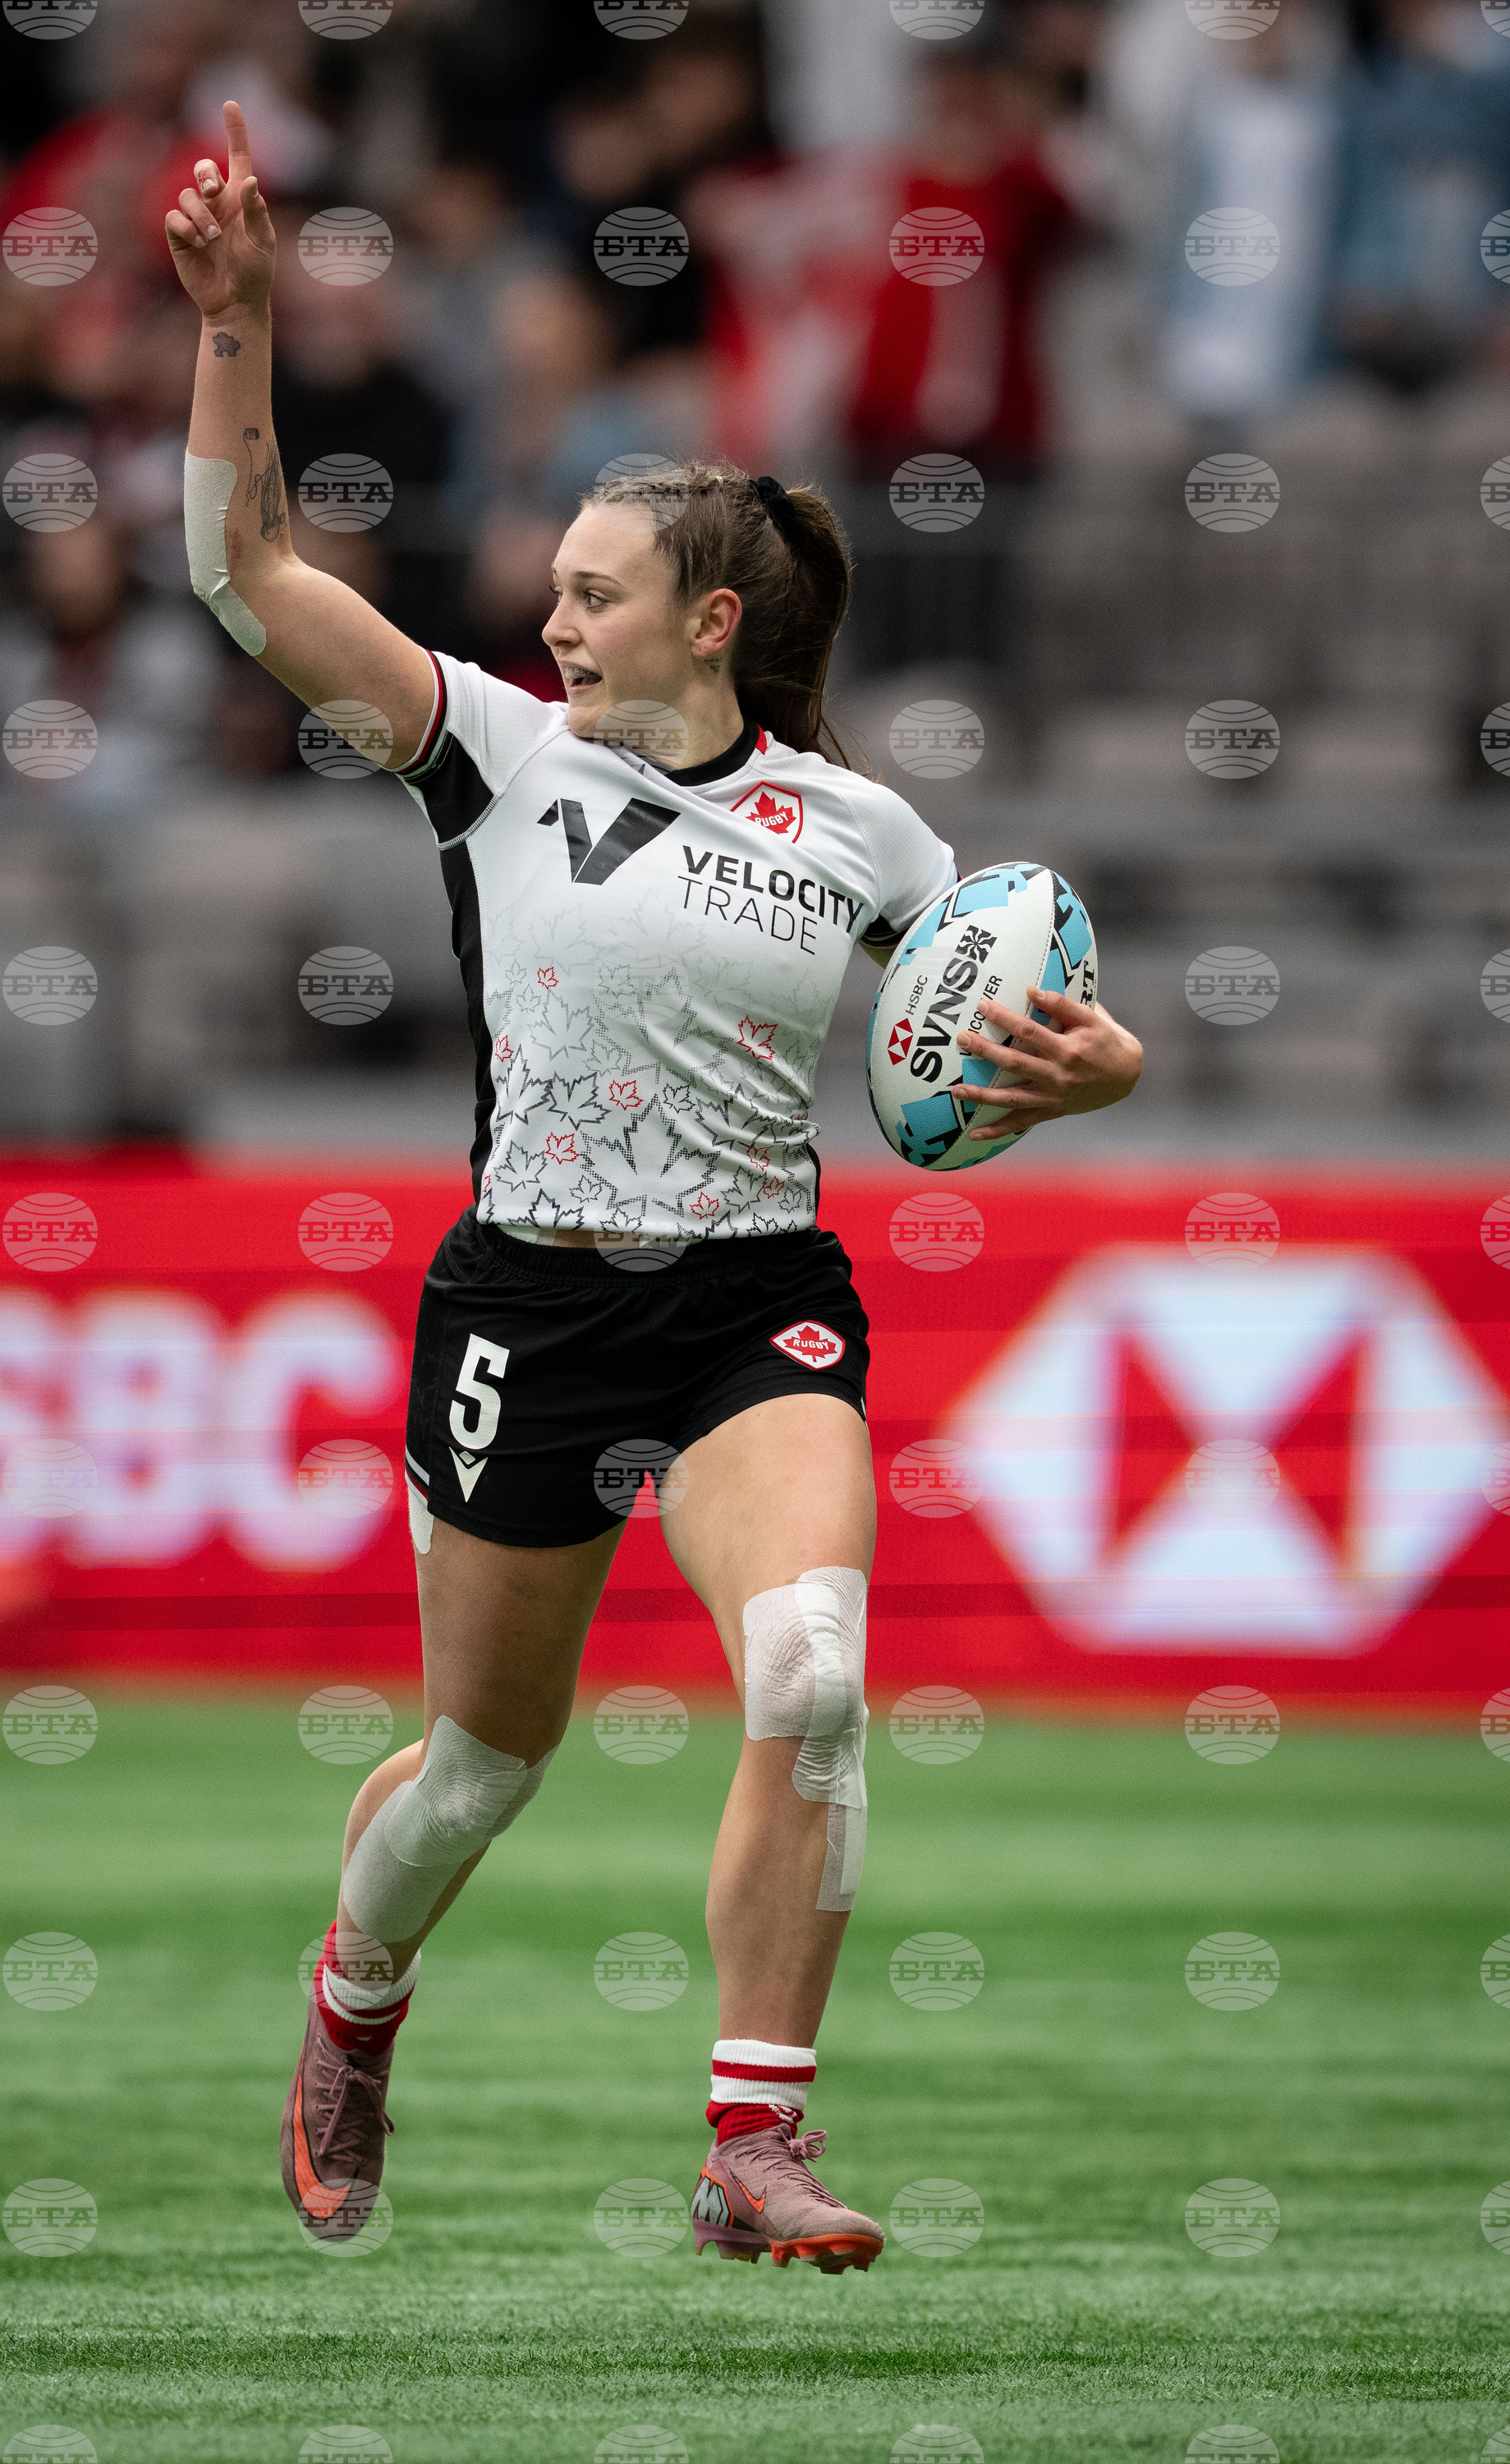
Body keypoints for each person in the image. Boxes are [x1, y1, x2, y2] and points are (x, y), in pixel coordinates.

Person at [164, 103, 1144, 2273]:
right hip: (528, 1306)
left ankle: (751, 2144)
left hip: (749, 1308)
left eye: (590, 593)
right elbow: (244, 577)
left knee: (811, 1673)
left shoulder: (869, 835)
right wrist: (234, 326)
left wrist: (1101, 1071)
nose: (550, 618)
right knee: (479, 1771)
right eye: (552, 591)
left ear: (708, 621)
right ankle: (354, 2006)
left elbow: (969, 1068)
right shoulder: (495, 751)